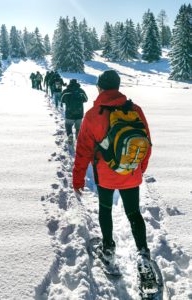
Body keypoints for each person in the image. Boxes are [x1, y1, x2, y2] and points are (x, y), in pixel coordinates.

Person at [72, 70, 155, 284]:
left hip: (106, 176)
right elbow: (146, 143)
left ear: (100, 87)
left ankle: (108, 250)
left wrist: (78, 180)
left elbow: (83, 152)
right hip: (131, 173)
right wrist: (139, 169)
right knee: (134, 213)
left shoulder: (92, 115)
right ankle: (144, 256)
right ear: (117, 87)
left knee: (106, 210)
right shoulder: (135, 110)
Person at [61, 79, 87, 144]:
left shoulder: (66, 91)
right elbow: (86, 99)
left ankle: (70, 135)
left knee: (68, 125)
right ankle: (78, 139)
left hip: (69, 114)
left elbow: (61, 100)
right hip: (79, 113)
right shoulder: (81, 91)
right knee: (78, 128)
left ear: (70, 83)